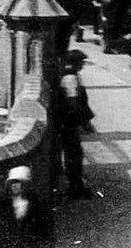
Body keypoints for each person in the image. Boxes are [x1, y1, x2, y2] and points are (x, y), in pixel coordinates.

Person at [57, 49, 94, 198]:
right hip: (69, 122)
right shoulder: (70, 78)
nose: (82, 65)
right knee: (73, 154)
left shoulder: (72, 76)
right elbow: (74, 102)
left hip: (69, 122)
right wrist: (83, 121)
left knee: (74, 153)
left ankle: (76, 184)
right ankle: (75, 186)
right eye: (81, 62)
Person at [0, 165, 52, 248]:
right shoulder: (5, 206)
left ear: (25, 184)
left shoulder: (38, 205)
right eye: (12, 183)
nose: (14, 185)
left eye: (17, 182)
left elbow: (46, 233)